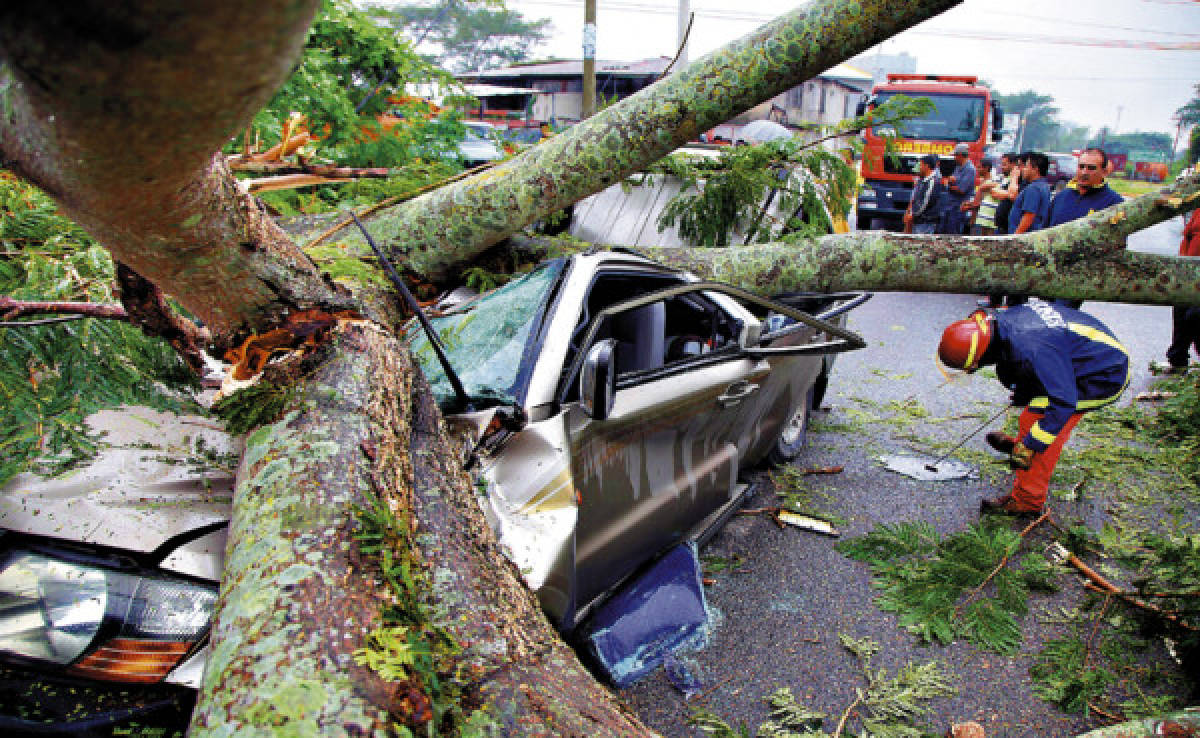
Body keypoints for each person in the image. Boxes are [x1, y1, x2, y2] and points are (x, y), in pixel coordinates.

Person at [937, 299, 1130, 514]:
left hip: (1102, 375)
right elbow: (1025, 362)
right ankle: (1021, 446)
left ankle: (1027, 501)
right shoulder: (1000, 321)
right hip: (1078, 356)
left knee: (1036, 421)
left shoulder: (1035, 349)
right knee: (1034, 410)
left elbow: (1063, 403)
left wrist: (1033, 443)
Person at [1044, 148, 1124, 309]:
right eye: (1081, 166)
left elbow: (1118, 245)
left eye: (1091, 168)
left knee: (1063, 315)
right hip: (1049, 273)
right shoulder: (1062, 197)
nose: (1084, 172)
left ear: (1104, 171)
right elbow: (1045, 231)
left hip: (1078, 277)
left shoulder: (1113, 203)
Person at [1166, 209, 1200, 372]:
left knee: (1194, 315)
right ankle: (1177, 361)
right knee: (1180, 307)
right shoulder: (1197, 210)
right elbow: (1187, 238)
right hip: (1189, 273)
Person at [1009, 151, 1051, 235]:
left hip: (1022, 238)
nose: (1023, 170)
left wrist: (1015, 237)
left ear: (1035, 169)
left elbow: (1029, 215)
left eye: (1026, 166)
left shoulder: (1034, 189)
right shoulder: (1043, 186)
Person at [938, 142, 976, 234]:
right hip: (950, 206)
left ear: (960, 155)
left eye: (955, 155)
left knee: (954, 234)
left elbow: (961, 189)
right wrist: (950, 181)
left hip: (958, 208)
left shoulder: (970, 169)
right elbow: (953, 180)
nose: (954, 158)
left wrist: (947, 184)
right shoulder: (958, 167)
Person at [903, 153, 944, 234]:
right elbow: (915, 198)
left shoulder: (933, 182)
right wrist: (909, 212)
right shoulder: (923, 180)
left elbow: (925, 203)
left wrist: (913, 215)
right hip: (918, 220)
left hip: (925, 222)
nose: (919, 168)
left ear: (927, 166)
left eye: (921, 165)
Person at [961, 159, 997, 235]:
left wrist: (970, 207)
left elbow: (985, 202)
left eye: (979, 167)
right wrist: (969, 204)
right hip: (975, 219)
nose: (977, 170)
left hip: (982, 220)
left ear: (986, 168)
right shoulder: (982, 181)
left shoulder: (990, 183)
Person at [990, 152, 1022, 236]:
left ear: (1013, 165)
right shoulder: (1007, 180)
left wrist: (1014, 178)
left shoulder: (1018, 180)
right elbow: (994, 192)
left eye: (1004, 164)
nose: (1001, 167)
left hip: (1008, 227)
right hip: (1000, 226)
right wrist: (1008, 194)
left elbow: (1013, 196)